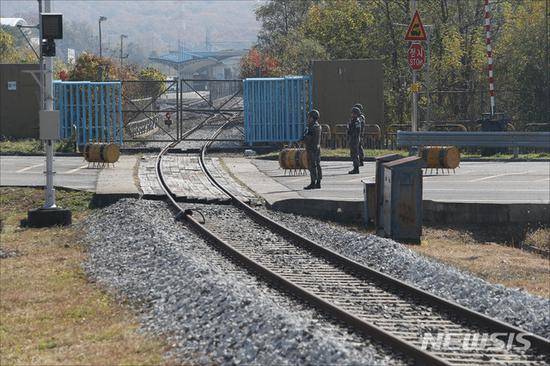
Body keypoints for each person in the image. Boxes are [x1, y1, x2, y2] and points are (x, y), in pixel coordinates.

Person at [302, 109, 322, 190]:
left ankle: (313, 182)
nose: (308, 119)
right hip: (317, 148)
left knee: (312, 165)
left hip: (311, 148)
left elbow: (308, 138)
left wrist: (304, 136)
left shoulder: (311, 127)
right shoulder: (318, 126)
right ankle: (318, 182)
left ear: (312, 118)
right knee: (318, 165)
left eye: (309, 117)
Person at [347, 106, 362, 174]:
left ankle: (356, 168)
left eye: (353, 113)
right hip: (353, 138)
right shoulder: (353, 121)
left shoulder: (356, 121)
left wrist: (352, 136)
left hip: (354, 139)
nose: (352, 114)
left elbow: (356, 131)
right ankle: (355, 167)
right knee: (353, 154)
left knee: (354, 154)